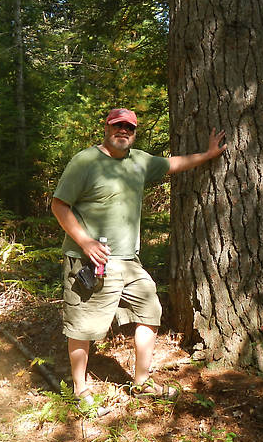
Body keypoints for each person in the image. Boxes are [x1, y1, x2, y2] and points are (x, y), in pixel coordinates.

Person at [51, 107, 227, 408]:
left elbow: (174, 163)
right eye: (118, 126)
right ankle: (80, 391)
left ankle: (142, 384)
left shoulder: (140, 162)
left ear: (134, 133)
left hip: (129, 261)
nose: (123, 131)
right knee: (83, 328)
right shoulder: (85, 161)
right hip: (91, 261)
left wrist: (208, 155)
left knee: (150, 313)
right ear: (106, 128)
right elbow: (59, 205)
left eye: (129, 128)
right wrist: (85, 242)